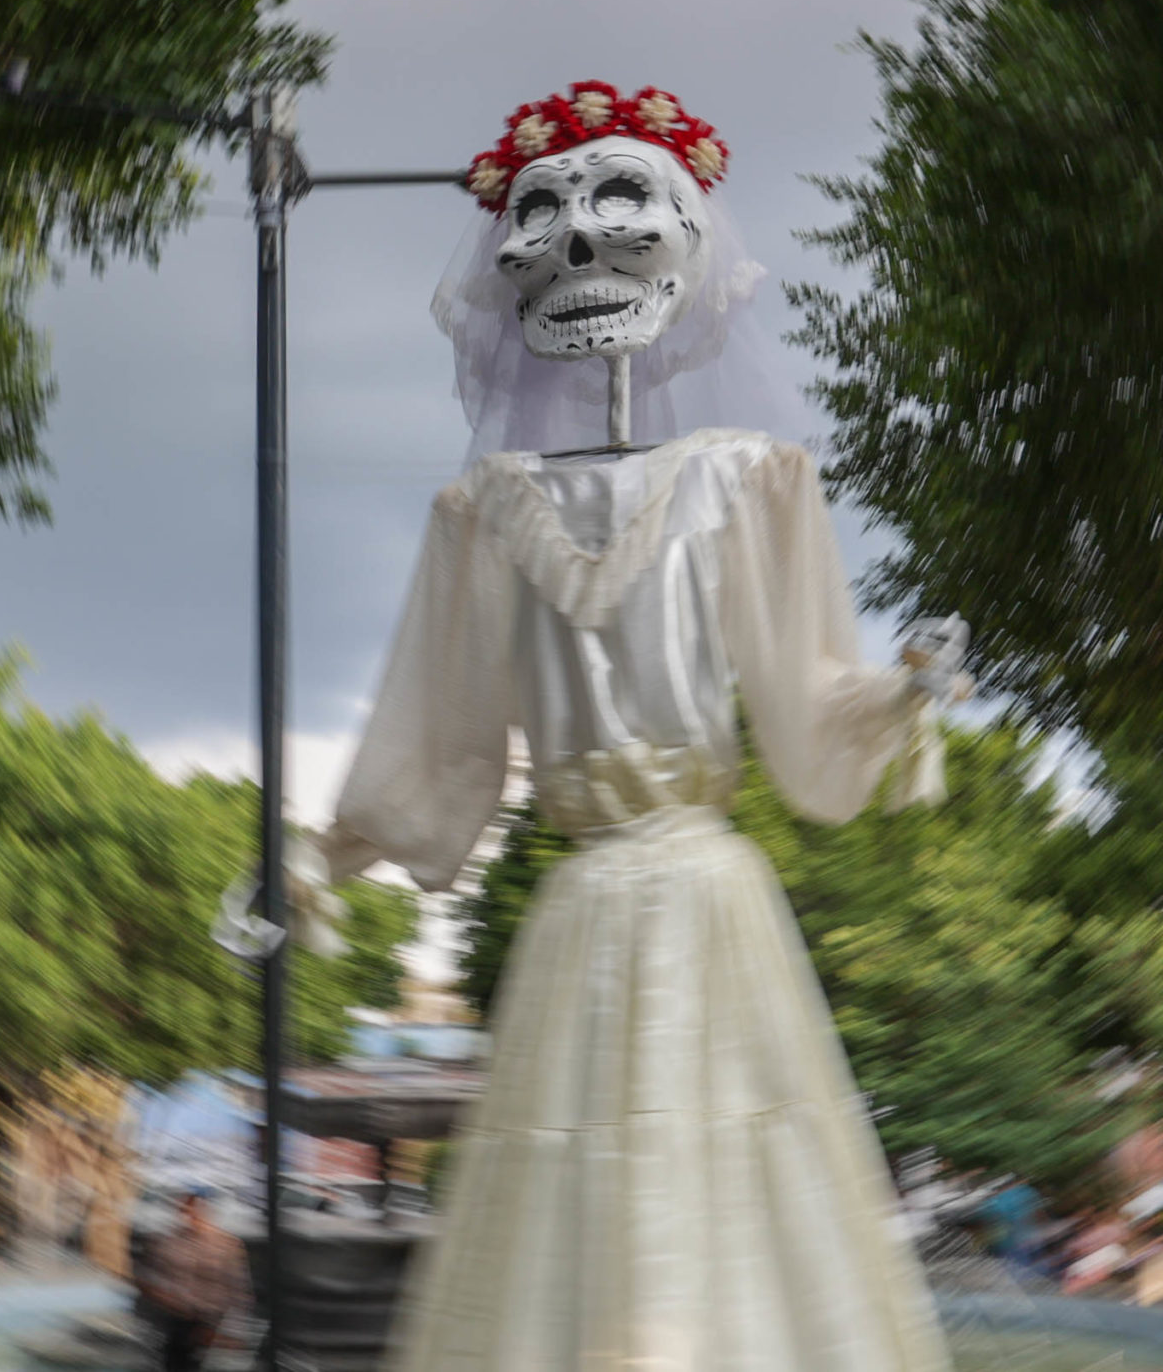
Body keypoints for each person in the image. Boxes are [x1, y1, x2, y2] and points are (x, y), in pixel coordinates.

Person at [285, 83, 969, 1369]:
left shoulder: (749, 484)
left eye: (620, 210)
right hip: (592, 906)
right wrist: (325, 856)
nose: (579, 249)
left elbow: (807, 697)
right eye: (542, 220)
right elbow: (441, 741)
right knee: (587, 1201)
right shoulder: (481, 512)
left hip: (703, 898)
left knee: (724, 1187)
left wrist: (903, 690)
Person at [141, 1186, 249, 1372]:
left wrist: (230, 1332)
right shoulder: (166, 1241)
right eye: (184, 1208)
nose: (188, 1214)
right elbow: (151, 1278)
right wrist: (162, 1296)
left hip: (208, 1320)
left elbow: (237, 1290)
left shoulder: (225, 1245)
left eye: (194, 1208)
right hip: (174, 1319)